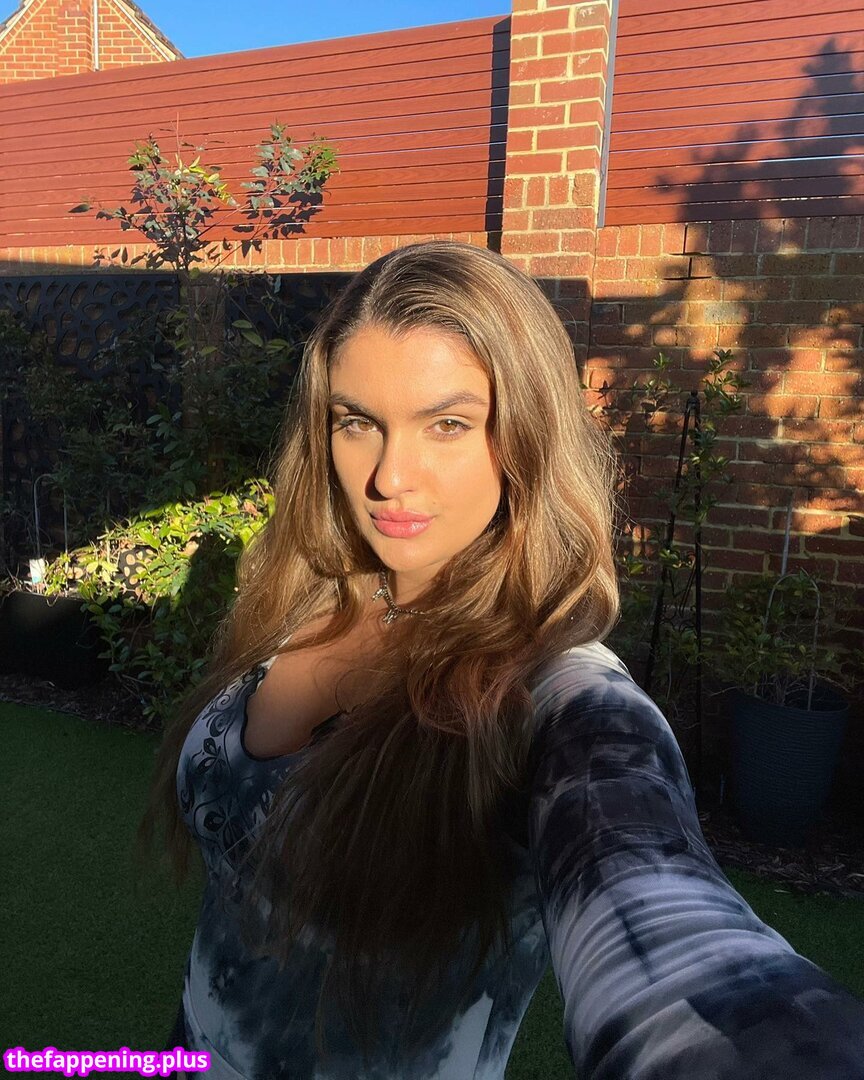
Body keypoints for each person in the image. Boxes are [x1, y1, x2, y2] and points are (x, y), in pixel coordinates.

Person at [143, 239, 864, 1079]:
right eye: (357, 422)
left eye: (447, 425)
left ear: (524, 434)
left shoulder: (558, 696)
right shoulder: (311, 589)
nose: (388, 477)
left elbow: (660, 917)